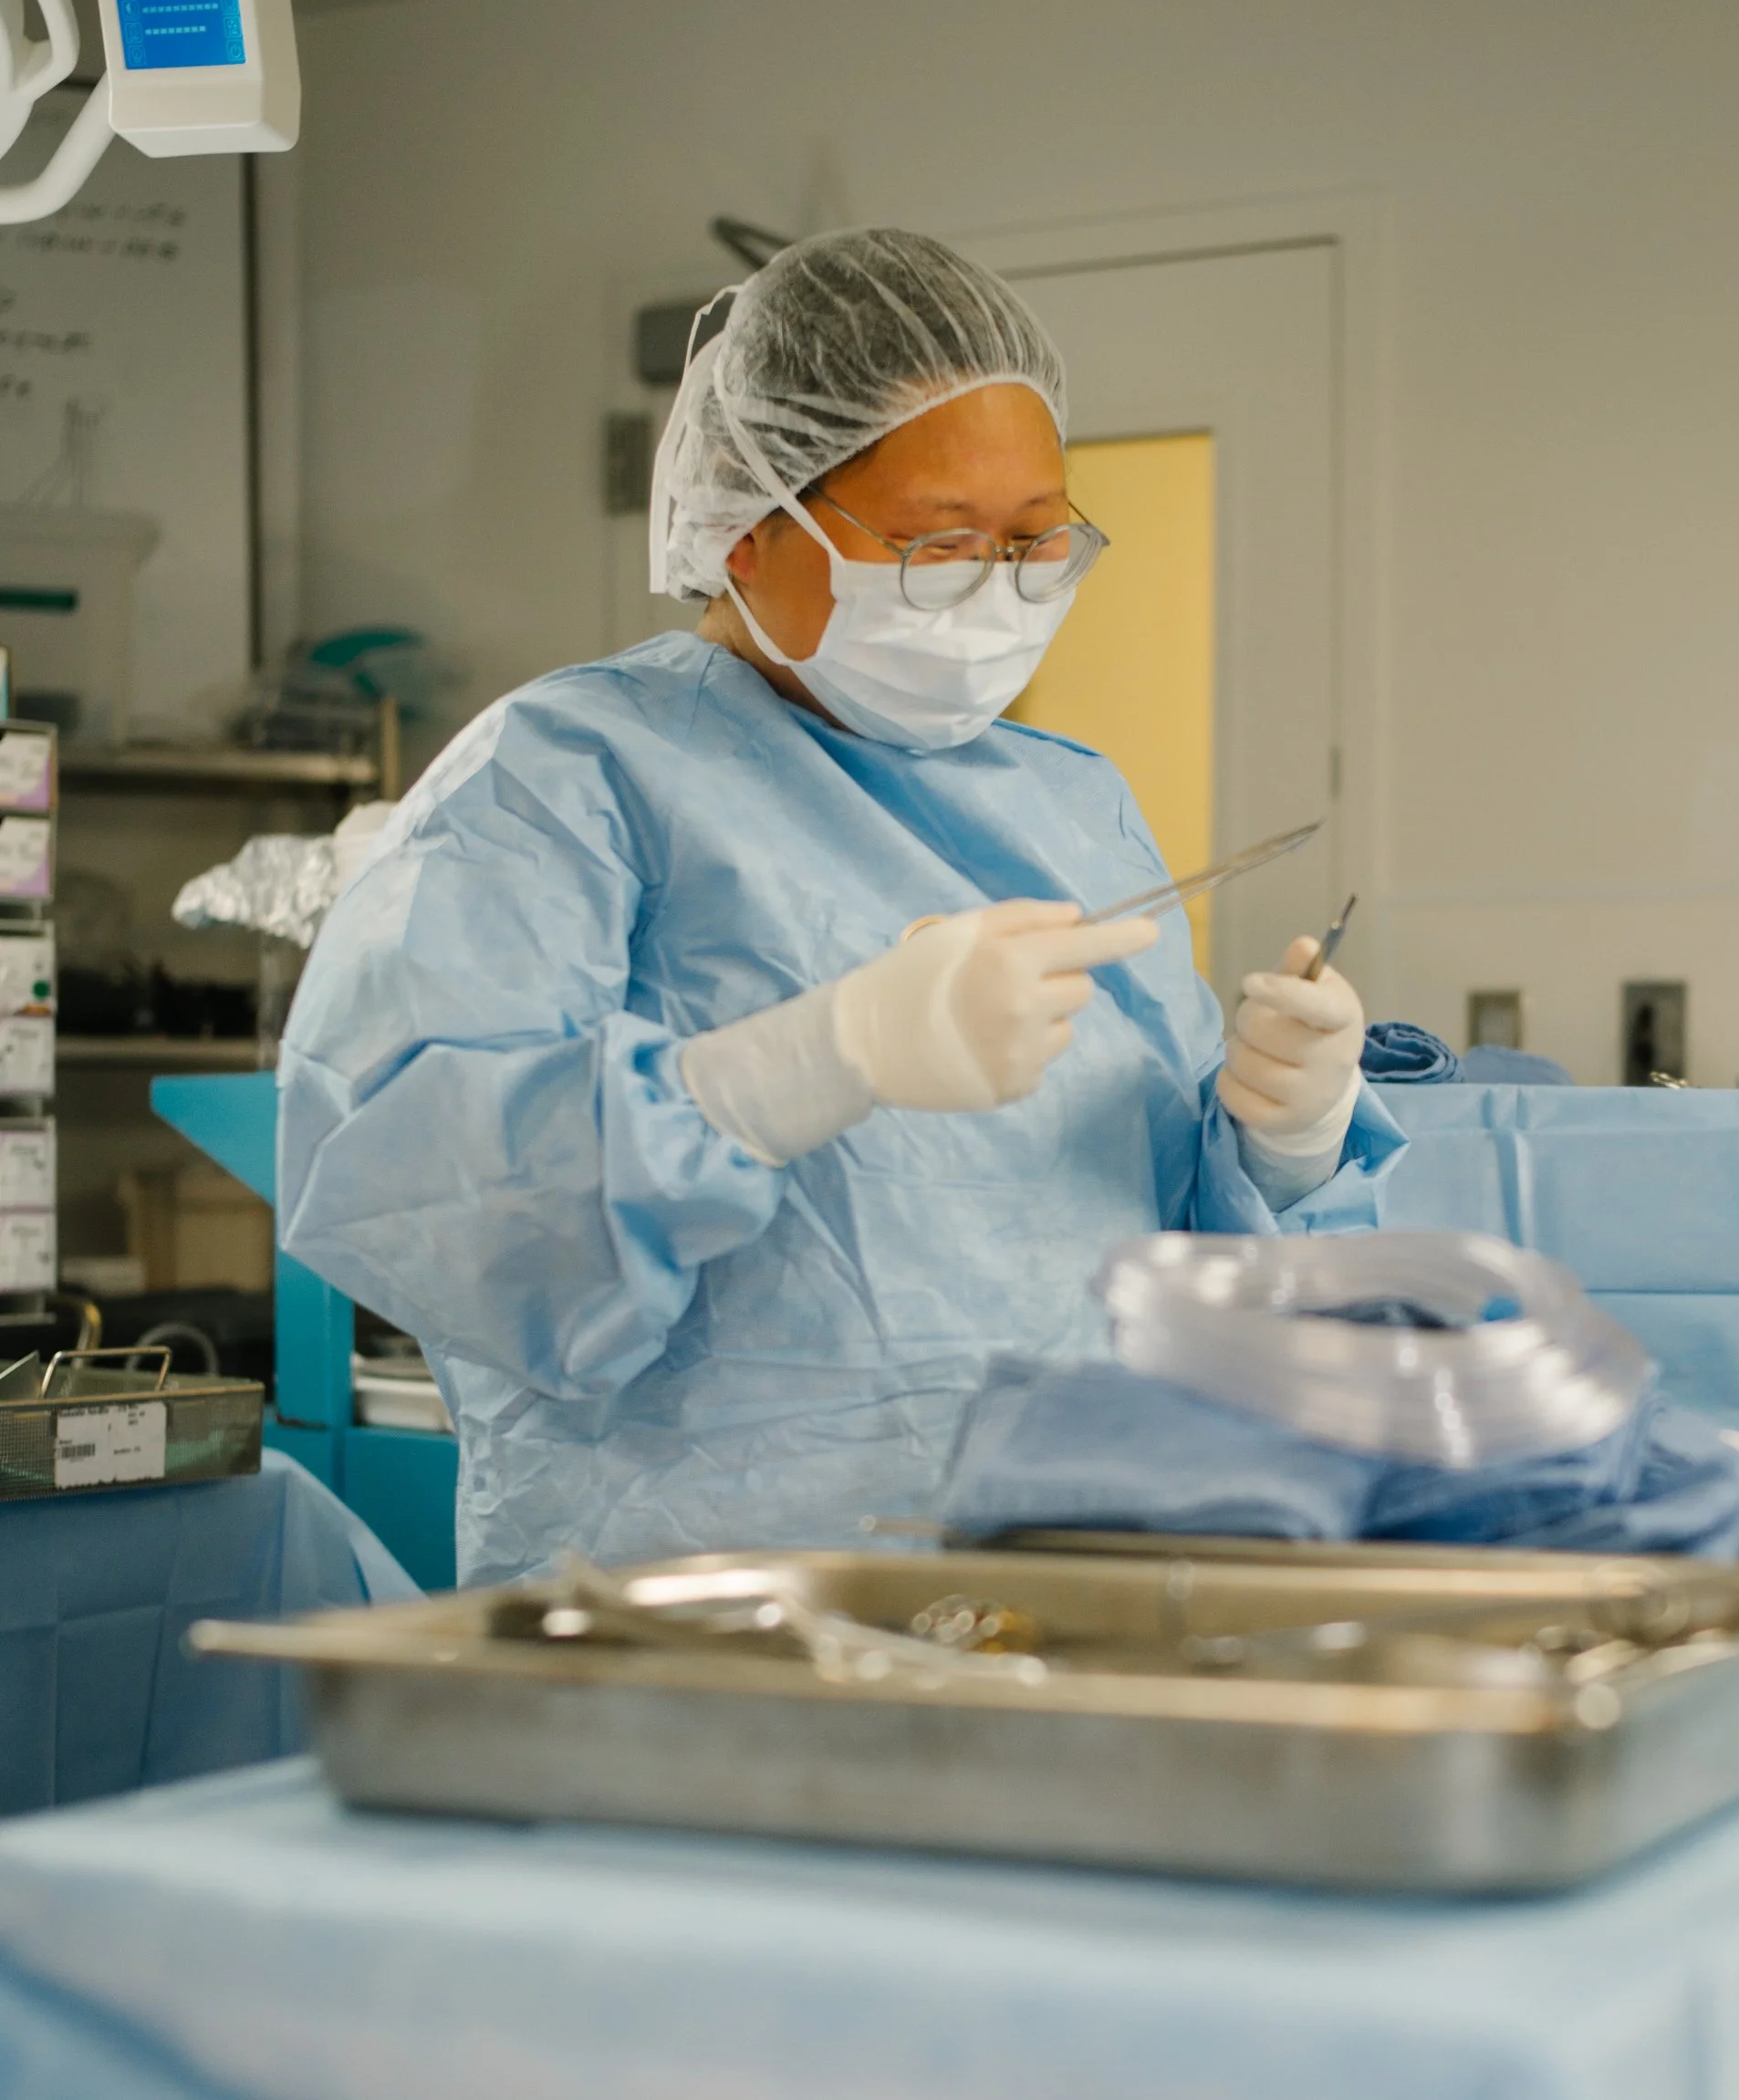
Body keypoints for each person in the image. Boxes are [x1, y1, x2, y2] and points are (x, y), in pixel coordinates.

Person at [277, 227, 1401, 1584]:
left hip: (1060, 1576)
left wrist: (1282, 1139)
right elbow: (413, 1193)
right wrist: (810, 1065)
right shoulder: (563, 779)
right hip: (690, 1615)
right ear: (749, 538)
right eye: (941, 547)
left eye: (1041, 541)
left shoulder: (1068, 803)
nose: (1000, 589)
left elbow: (1132, 1222)